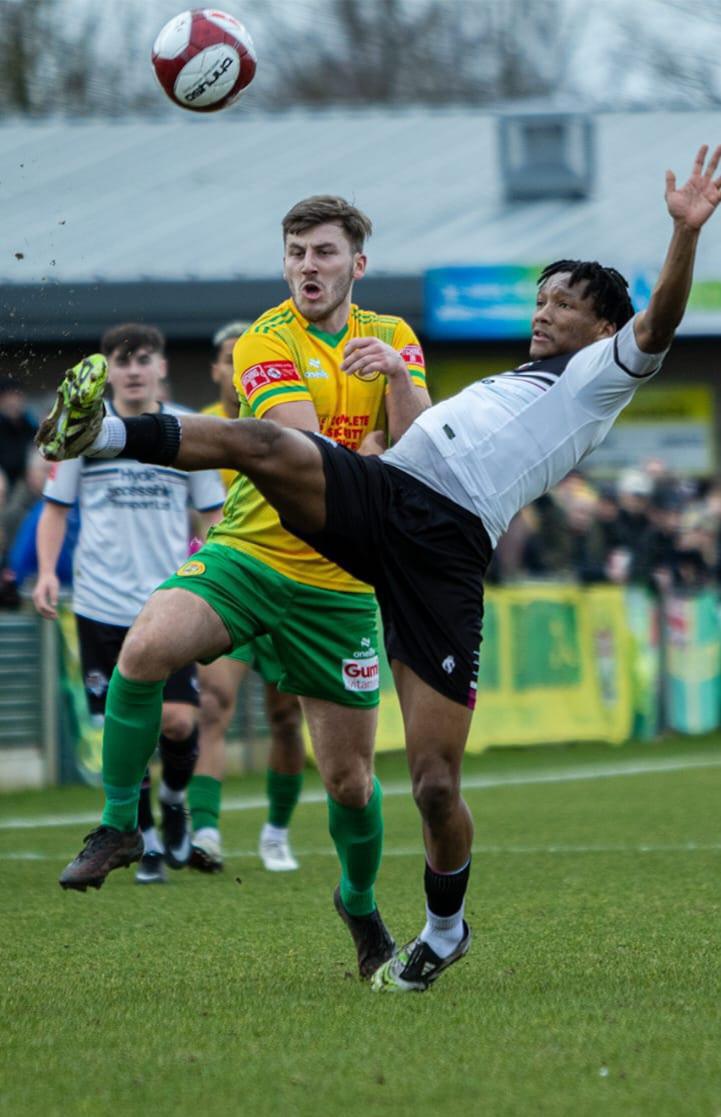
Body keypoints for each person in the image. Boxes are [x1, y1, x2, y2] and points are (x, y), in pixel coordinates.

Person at [39, 146, 721, 989]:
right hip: (384, 495)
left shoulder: (600, 374)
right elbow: (404, 433)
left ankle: (443, 927)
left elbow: (657, 319)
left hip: (442, 553)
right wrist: (399, 385)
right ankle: (101, 433)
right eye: (540, 298)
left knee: (433, 783)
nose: (543, 313)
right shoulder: (511, 375)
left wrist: (684, 233)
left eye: (565, 304)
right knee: (262, 443)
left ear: (603, 329)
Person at [40, 197, 430, 981]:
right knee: (147, 650)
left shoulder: (393, 338)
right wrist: (375, 449)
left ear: (357, 264)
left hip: (343, 582)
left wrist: (395, 382)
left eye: (323, 252)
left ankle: (357, 901)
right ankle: (121, 824)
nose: (307, 267)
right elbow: (297, 449)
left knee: (350, 782)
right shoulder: (264, 339)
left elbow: (421, 447)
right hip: (252, 552)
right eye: (295, 252)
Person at [33, 323, 225, 884]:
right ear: (110, 370)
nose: (134, 369)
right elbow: (54, 509)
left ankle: (172, 801)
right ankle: (141, 840)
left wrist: (213, 572)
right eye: (123, 360)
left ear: (162, 366)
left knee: (180, 721)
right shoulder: (84, 433)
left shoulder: (188, 430)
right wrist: (46, 572)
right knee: (127, 734)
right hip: (99, 603)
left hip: (169, 601)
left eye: (144, 359)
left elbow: (212, 514)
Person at [190, 321, 306, 874]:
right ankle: (206, 833)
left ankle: (276, 832)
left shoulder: (288, 424)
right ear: (216, 369)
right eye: (228, 357)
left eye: (247, 358)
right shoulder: (199, 429)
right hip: (229, 581)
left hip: (288, 583)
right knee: (212, 704)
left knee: (286, 719)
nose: (237, 367)